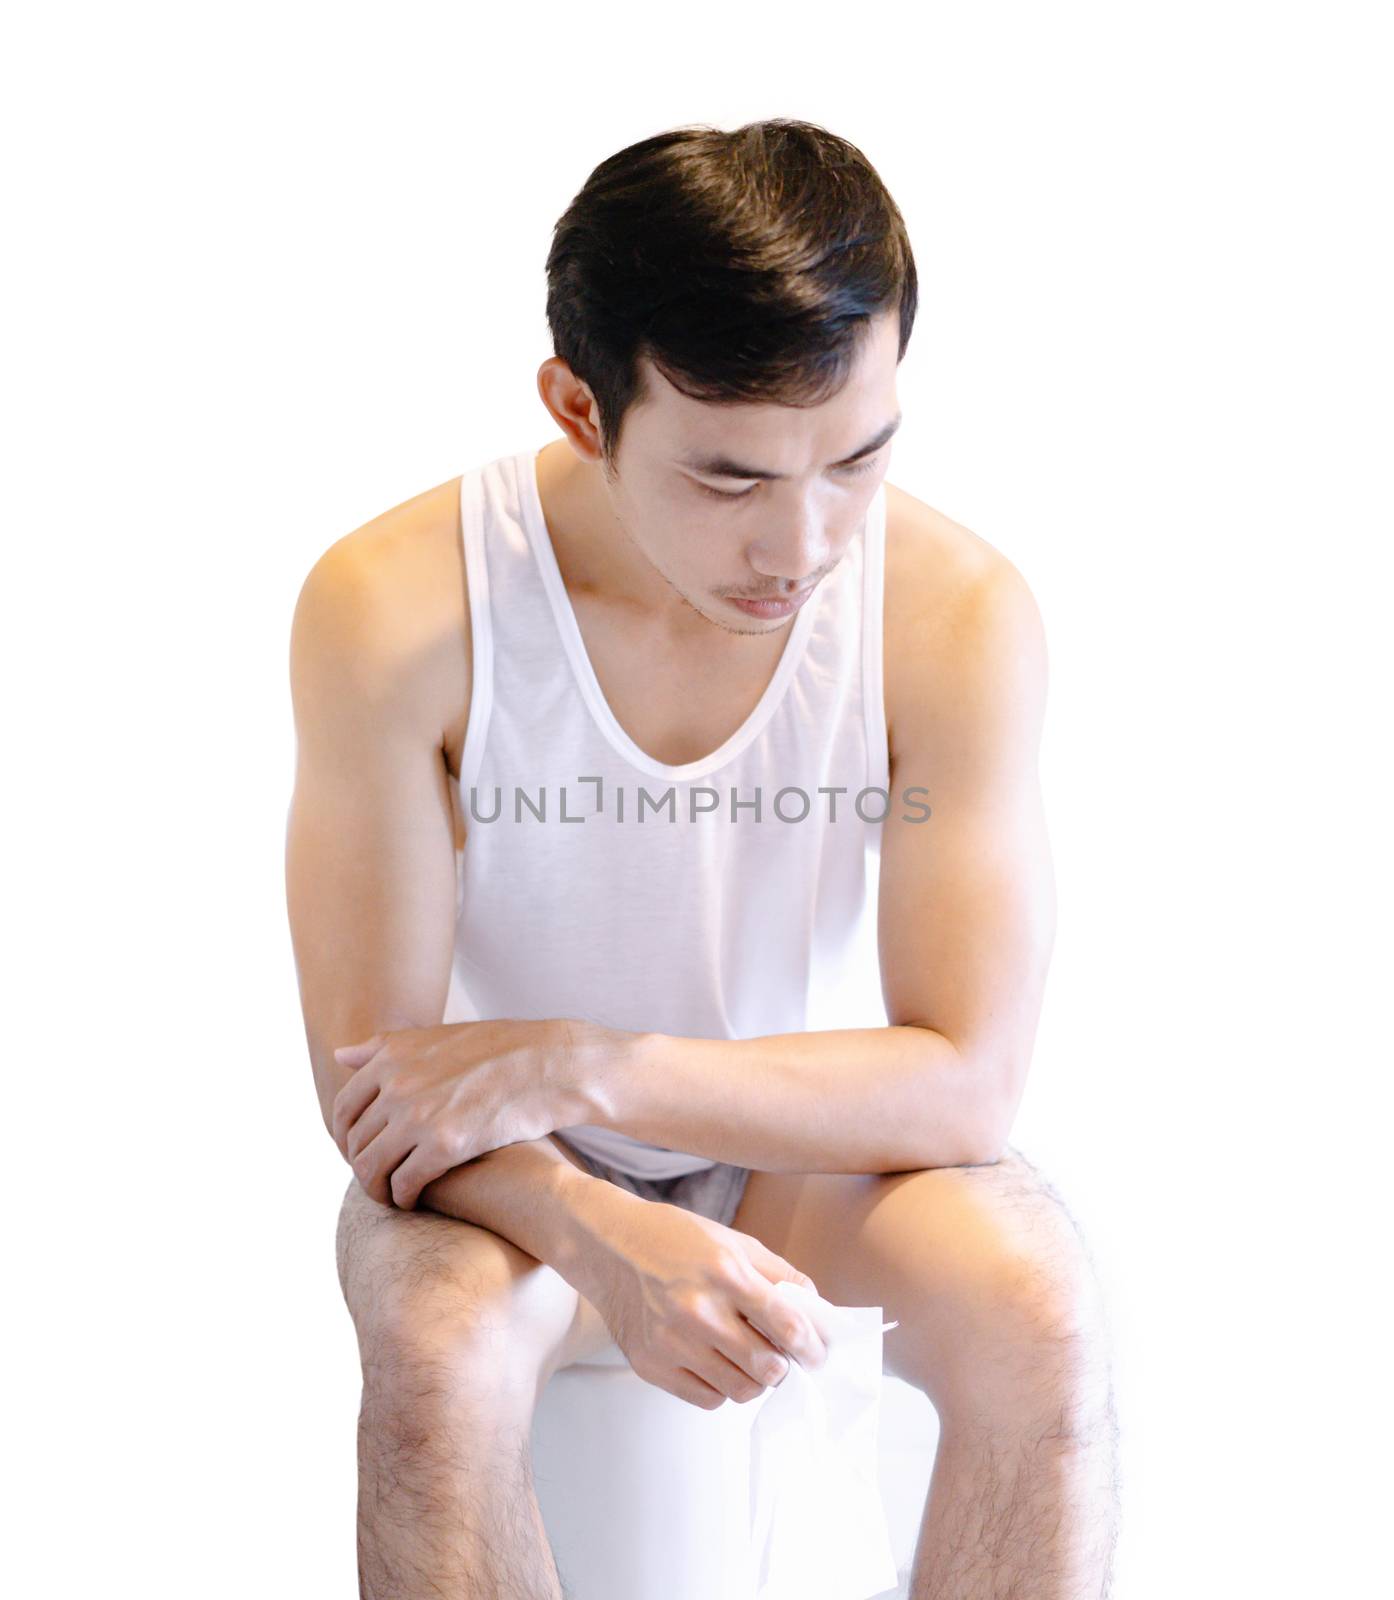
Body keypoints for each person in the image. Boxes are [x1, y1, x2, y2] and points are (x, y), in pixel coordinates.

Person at [285, 118, 1119, 1599]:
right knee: (431, 1353)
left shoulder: (957, 613)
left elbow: (967, 1084)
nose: (799, 545)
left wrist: (587, 1060)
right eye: (729, 480)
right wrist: (589, 1213)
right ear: (579, 408)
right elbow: (382, 1089)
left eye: (855, 458)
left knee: (1036, 1308)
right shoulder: (395, 604)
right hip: (500, 1171)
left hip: (790, 1156)